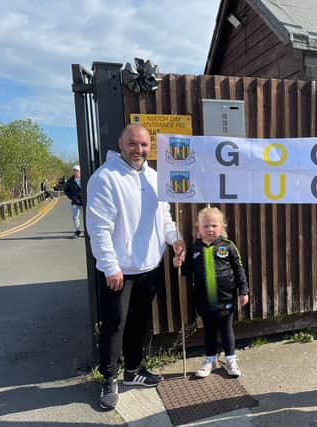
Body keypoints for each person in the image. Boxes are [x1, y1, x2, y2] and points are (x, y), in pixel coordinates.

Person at [86, 124, 186, 410]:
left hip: (149, 266)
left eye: (143, 144)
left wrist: (175, 240)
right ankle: (109, 378)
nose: (138, 149)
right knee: (114, 324)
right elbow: (99, 228)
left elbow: (164, 217)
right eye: (133, 143)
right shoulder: (105, 178)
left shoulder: (155, 177)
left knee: (139, 323)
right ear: (121, 143)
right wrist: (110, 266)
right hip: (119, 271)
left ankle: (133, 370)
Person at [174, 207, 249, 378]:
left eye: (214, 226)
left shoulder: (228, 246)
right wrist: (178, 261)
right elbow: (186, 271)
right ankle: (210, 359)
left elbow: (239, 270)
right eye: (206, 226)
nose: (210, 229)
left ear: (222, 227)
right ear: (198, 228)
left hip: (226, 298)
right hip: (204, 300)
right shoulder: (194, 249)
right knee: (209, 330)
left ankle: (230, 359)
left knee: (226, 329)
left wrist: (243, 291)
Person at [64, 165, 83, 238]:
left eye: (77, 171)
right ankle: (77, 231)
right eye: (74, 171)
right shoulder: (70, 181)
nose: (76, 172)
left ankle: (87, 231)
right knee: (75, 216)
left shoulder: (85, 178)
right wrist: (72, 197)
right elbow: (66, 191)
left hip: (84, 200)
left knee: (85, 217)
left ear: (80, 171)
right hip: (75, 201)